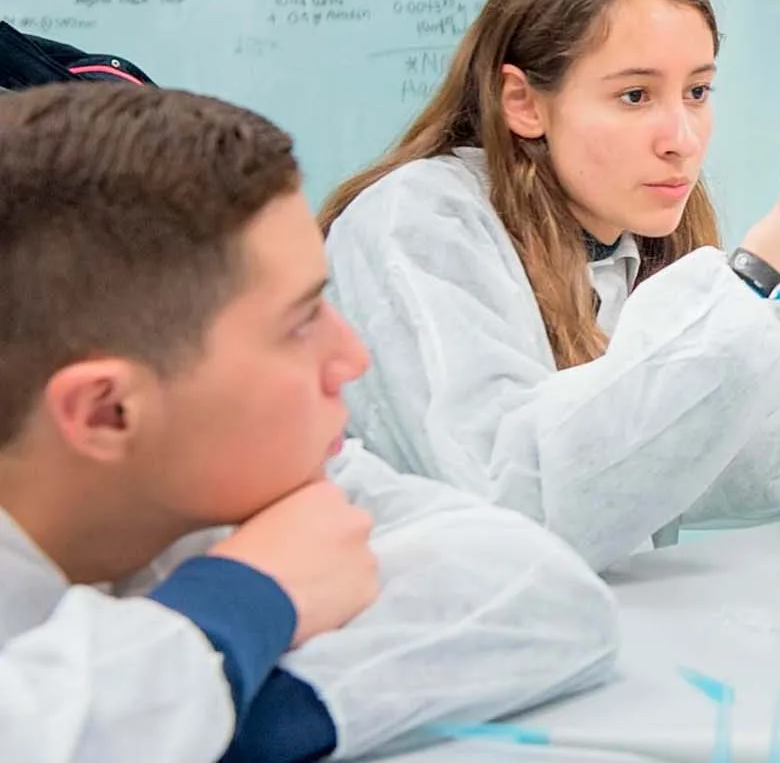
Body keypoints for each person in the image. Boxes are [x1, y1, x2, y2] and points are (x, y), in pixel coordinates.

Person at [320, 0, 780, 572]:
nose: (681, 138)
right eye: (635, 95)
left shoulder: (624, 253)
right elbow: (511, 514)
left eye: (696, 92)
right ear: (523, 102)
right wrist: (768, 253)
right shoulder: (416, 225)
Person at [0, 84, 617, 762]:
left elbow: (541, 590)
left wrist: (208, 708)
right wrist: (244, 601)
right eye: (299, 325)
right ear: (107, 414)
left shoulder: (254, 482)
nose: (351, 357)